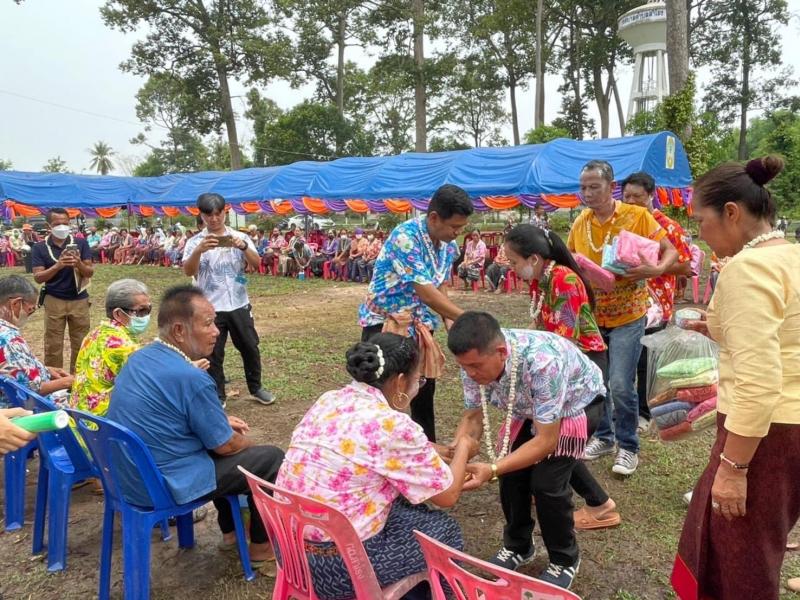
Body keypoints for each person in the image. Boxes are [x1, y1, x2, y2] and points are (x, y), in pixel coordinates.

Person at [671, 156, 800, 600]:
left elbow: (759, 379)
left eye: (700, 221)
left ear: (731, 212)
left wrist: (734, 467)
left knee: (739, 560)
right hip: (787, 424)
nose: (699, 234)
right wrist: (721, 329)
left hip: (767, 431)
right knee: (751, 547)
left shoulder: (748, 268)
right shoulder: (790, 256)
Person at [276, 333, 473, 600]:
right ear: (400, 381)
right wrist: (464, 447)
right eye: (419, 380)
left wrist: (433, 450)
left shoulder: (329, 400)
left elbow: (363, 447)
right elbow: (447, 496)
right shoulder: (393, 426)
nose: (418, 386)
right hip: (334, 569)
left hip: (290, 551)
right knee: (443, 531)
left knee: (405, 509)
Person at [107, 285, 284, 567]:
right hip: (163, 483)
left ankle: (230, 534)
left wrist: (217, 422)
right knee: (269, 459)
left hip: (127, 478)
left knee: (221, 450)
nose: (216, 332)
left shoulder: (141, 357)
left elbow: (169, 411)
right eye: (208, 323)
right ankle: (261, 547)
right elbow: (225, 445)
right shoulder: (191, 377)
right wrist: (244, 443)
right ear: (179, 330)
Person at [448, 312, 604, 590]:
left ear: (501, 352)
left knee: (547, 484)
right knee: (511, 474)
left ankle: (565, 559)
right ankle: (518, 546)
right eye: (464, 366)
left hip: (577, 404)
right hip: (531, 409)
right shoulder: (473, 360)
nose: (470, 373)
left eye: (475, 366)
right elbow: (472, 417)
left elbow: (546, 440)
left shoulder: (544, 363)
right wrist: (458, 455)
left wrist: (492, 469)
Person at [504, 225, 619, 530]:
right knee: (549, 437)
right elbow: (542, 326)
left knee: (555, 438)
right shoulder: (541, 279)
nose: (512, 269)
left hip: (580, 362)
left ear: (533, 258)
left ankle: (600, 504)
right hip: (560, 360)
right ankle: (597, 502)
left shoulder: (563, 280)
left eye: (514, 262)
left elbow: (562, 342)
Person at [567, 160, 677, 475]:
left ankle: (628, 446)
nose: (588, 193)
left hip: (629, 314)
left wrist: (655, 269)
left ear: (611, 186)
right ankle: (604, 437)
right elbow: (570, 261)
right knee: (597, 381)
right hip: (593, 315)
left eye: (594, 187)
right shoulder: (581, 223)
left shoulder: (637, 215)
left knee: (620, 384)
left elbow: (670, 250)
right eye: (583, 187)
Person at [359, 184, 473, 442]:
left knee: (422, 391)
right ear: (434, 217)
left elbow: (439, 283)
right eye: (454, 226)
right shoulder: (406, 238)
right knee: (381, 393)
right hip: (386, 326)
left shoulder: (447, 245)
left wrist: (450, 320)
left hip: (419, 324)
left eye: (461, 227)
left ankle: (425, 448)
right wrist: (468, 319)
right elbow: (425, 292)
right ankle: (375, 449)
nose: (458, 233)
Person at [183, 193, 275, 407]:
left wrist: (243, 247)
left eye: (218, 214)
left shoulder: (240, 237)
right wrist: (199, 251)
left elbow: (256, 264)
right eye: (209, 215)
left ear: (225, 212)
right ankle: (218, 395)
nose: (214, 219)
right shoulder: (194, 242)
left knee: (250, 346)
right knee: (213, 352)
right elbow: (188, 270)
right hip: (210, 307)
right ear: (201, 215)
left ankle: (256, 387)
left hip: (238, 303)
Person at [621, 172, 693, 430]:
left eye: (637, 196)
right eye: (626, 196)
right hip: (623, 303)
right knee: (623, 361)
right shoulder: (622, 223)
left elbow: (685, 266)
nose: (631, 202)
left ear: (651, 195)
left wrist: (654, 268)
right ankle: (624, 411)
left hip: (655, 305)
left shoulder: (668, 226)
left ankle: (644, 413)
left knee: (645, 361)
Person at [32, 208, 94, 372]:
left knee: (81, 343)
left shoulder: (80, 243)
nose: (62, 227)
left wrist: (78, 263)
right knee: (53, 344)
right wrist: (58, 266)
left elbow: (89, 272)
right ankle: (55, 379)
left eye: (65, 223)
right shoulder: (40, 247)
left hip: (79, 299)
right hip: (54, 300)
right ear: (48, 226)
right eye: (57, 224)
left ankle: (78, 378)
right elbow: (38, 277)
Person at [0, 275, 74, 400]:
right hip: (23, 407)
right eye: (30, 310)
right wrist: (68, 382)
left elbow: (12, 370)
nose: (29, 316)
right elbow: (28, 391)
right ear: (15, 304)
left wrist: (44, 370)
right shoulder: (8, 340)